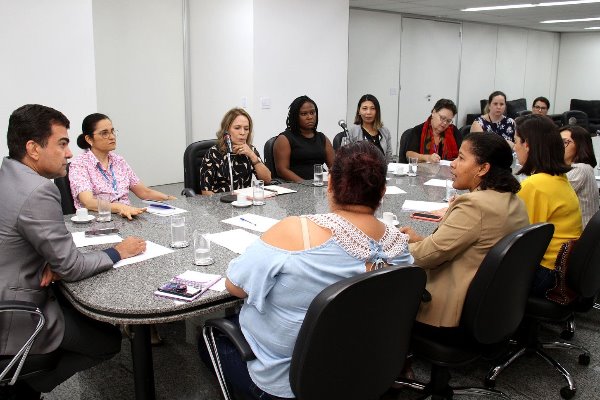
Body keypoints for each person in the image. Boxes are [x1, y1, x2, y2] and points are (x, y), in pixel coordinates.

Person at [200, 141, 412, 399]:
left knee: (207, 341)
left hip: (286, 383)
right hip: (361, 370)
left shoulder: (294, 232)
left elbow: (235, 286)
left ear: (330, 185)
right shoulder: (398, 246)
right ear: (383, 192)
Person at [0, 104, 146, 398]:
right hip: (17, 312)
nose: (69, 152)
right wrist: (117, 251)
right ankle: (29, 384)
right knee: (107, 340)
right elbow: (73, 268)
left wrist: (48, 258)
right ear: (33, 148)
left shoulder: (8, 175)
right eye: (62, 143)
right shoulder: (39, 190)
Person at [400, 133, 529, 339]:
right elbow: (472, 246)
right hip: (494, 304)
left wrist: (392, 245)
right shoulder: (513, 201)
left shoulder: (474, 205)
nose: (453, 164)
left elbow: (426, 257)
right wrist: (422, 241)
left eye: (461, 158)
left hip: (451, 309)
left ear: (483, 168)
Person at [513, 115, 582, 297]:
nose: (514, 147)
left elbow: (517, 238)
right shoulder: (558, 178)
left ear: (527, 144)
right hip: (561, 270)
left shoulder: (535, 184)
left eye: (516, 141)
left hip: (546, 274)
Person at [69, 113, 175, 220]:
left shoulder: (119, 161)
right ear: (89, 139)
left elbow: (144, 192)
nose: (112, 137)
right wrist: (121, 207)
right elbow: (88, 202)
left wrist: (170, 199)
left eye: (112, 131)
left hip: (127, 216)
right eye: (104, 133)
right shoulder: (79, 164)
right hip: (99, 221)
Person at [199, 108, 271, 195]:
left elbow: (267, 180)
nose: (242, 132)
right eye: (237, 128)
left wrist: (252, 156)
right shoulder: (213, 153)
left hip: (245, 202)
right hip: (221, 204)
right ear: (226, 130)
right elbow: (205, 191)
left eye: (246, 129)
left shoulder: (250, 150)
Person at [273, 95, 335, 182]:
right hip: (296, 186)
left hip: (320, 184)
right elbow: (282, 170)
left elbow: (334, 166)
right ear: (295, 116)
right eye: (304, 114)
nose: (310, 117)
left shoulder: (322, 138)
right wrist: (305, 184)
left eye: (312, 113)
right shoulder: (284, 139)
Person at [559, 125, 599, 227]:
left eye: (564, 142)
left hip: (580, 237)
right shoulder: (579, 168)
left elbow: (551, 196)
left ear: (580, 145)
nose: (558, 146)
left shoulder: (580, 169)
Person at [406, 98, 461, 163]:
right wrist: (427, 158)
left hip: (448, 171)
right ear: (433, 112)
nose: (445, 123)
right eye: (442, 118)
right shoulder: (419, 130)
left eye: (448, 121)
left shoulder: (453, 131)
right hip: (423, 171)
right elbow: (409, 155)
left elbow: (463, 153)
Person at [347, 94, 393, 162]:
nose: (368, 112)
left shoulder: (385, 131)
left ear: (377, 111)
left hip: (382, 171)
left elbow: (388, 157)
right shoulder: (352, 132)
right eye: (364, 108)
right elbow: (345, 157)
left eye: (373, 108)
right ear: (359, 111)